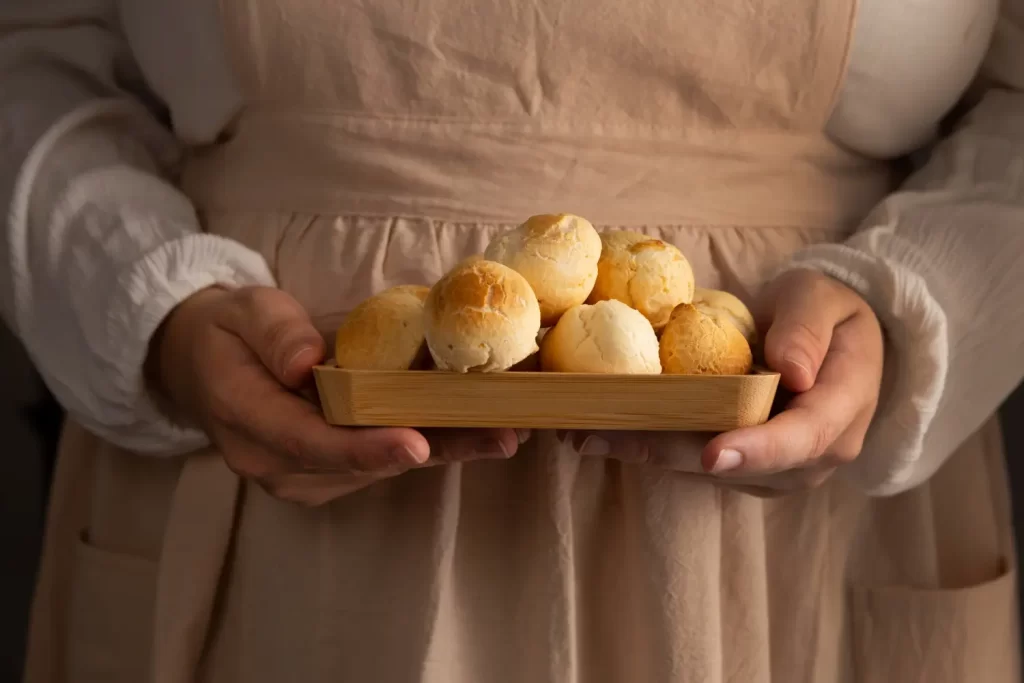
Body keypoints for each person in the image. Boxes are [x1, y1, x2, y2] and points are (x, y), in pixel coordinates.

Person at [2, 0, 1023, 680]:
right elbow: (31, 52)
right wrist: (148, 306)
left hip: (799, 546)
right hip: (263, 505)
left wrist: (916, 305)